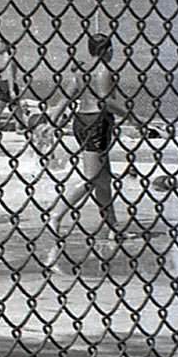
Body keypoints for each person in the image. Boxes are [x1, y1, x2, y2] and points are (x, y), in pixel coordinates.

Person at [36, 33, 130, 266]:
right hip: (97, 123)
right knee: (92, 178)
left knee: (104, 179)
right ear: (107, 49)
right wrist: (132, 116)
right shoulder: (104, 71)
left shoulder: (80, 71)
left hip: (81, 122)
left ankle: (113, 227)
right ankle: (56, 214)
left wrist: (52, 122)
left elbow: (66, 99)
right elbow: (106, 101)